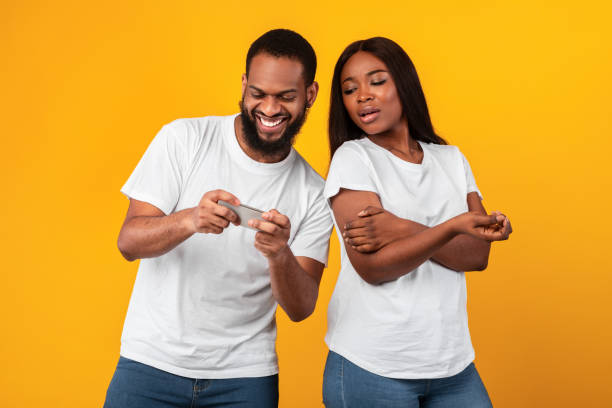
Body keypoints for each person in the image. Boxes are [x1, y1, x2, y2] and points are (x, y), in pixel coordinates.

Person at [103, 29, 333, 408]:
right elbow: (128, 242)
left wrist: (279, 255)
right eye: (259, 94)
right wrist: (190, 219)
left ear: (310, 94)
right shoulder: (184, 138)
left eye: (286, 97)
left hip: (245, 376)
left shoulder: (314, 191)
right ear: (244, 86)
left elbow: (301, 307)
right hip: (150, 363)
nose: (270, 109)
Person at [321, 37, 513, 408]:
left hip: (452, 365)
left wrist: (402, 227)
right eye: (350, 89)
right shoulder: (354, 158)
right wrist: (450, 228)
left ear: (404, 84)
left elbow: (476, 255)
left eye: (377, 81)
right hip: (372, 365)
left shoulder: (451, 159)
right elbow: (373, 268)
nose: (362, 96)